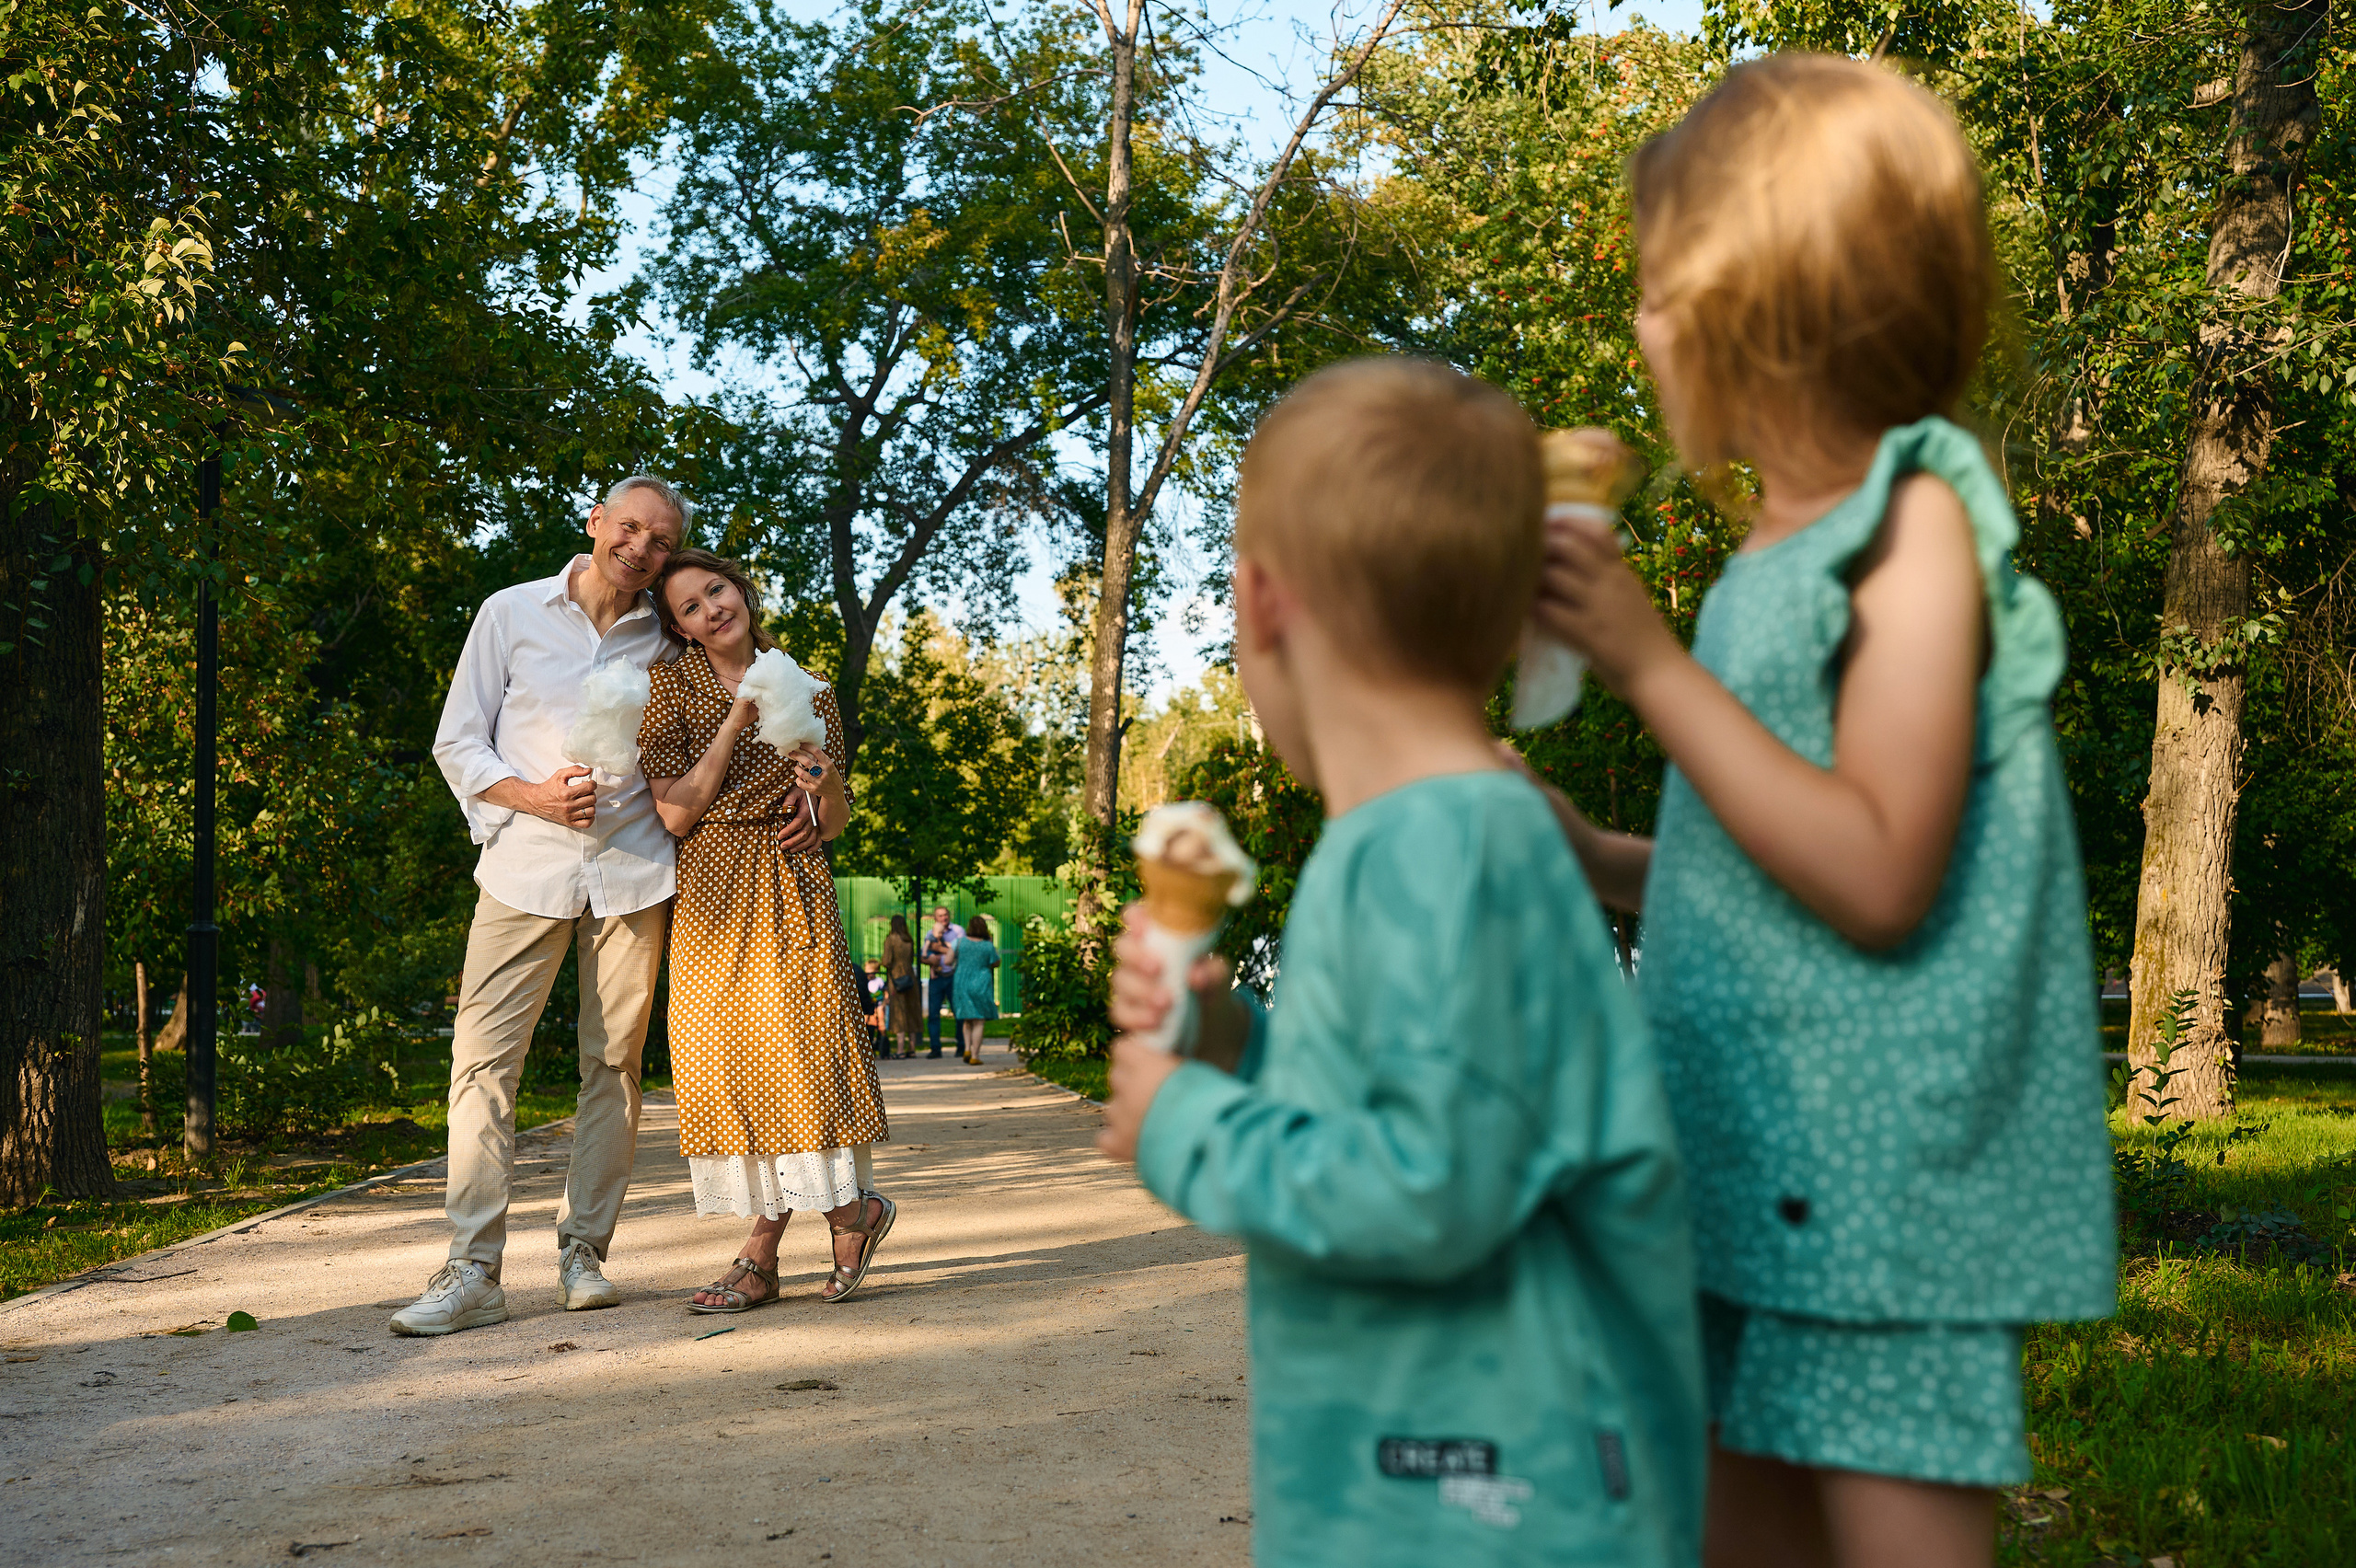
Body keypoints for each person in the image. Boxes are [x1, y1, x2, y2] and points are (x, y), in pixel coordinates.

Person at [1533, 57, 2115, 1568]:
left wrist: (1650, 667)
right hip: (1742, 1176)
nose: (1643, 320)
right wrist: (1594, 854)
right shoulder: (1756, 569)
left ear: (1763, 302)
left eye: (1662, 285)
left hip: (1879, 1211)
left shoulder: (1908, 526)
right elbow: (1761, 864)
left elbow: (1875, 869)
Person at [1096, 358, 1705, 1567]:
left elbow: (1433, 1185)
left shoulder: (1440, 848)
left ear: (1264, 602)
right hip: (1435, 1474)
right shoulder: (1435, 836)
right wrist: (1234, 1048)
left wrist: (1190, 1128)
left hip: (1494, 1502)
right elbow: (1436, 1103)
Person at [398, 475, 688, 1337]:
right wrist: (530, 797)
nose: (641, 548)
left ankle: (584, 1253)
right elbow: (457, 737)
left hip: (634, 877)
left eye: (662, 540)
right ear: (596, 523)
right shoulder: (511, 613)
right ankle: (473, 1270)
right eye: (629, 528)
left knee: (615, 1069)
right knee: (484, 1065)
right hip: (523, 871)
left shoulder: (670, 642)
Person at [638, 548, 896, 1309]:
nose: (712, 608)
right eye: (691, 607)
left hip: (790, 881)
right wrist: (735, 722)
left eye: (716, 589)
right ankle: (852, 1214)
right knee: (728, 1061)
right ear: (682, 631)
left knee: (798, 1054)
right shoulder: (669, 688)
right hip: (713, 887)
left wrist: (825, 786)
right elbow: (676, 812)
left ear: (739, 590)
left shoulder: (806, 685)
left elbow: (833, 822)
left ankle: (761, 1253)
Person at [949, 913, 1000, 1065]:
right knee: (979, 1021)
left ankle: (966, 1048)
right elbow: (996, 962)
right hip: (981, 983)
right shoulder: (987, 945)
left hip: (961, 982)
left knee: (967, 1019)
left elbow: (948, 960)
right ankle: (975, 1055)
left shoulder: (959, 942)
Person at [921, 905, 964, 1058]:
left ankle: (961, 1045)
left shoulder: (958, 931)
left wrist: (939, 949)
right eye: (940, 916)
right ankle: (935, 1048)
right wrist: (930, 958)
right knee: (933, 1014)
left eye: (945, 915)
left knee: (958, 1012)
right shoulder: (929, 933)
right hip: (937, 977)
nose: (943, 918)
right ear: (935, 918)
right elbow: (922, 956)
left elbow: (961, 952)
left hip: (954, 976)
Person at [884, 914, 920, 1058]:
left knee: (899, 1012)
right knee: (912, 1010)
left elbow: (887, 960)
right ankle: (912, 1048)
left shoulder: (890, 939)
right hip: (910, 977)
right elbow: (911, 958)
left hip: (896, 978)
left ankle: (900, 1050)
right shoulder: (908, 939)